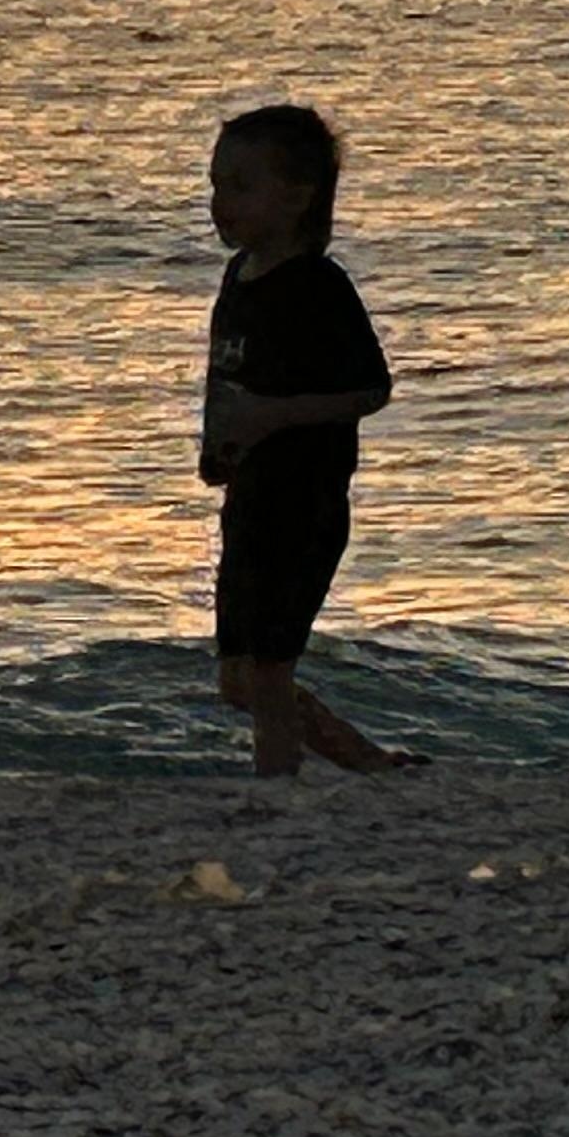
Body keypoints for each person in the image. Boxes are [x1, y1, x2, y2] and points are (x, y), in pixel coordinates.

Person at [199, 104, 410, 777]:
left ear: (296, 198)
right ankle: (369, 764)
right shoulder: (239, 278)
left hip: (304, 501)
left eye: (240, 187)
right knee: (238, 679)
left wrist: (274, 417)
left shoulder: (319, 287)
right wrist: (217, 446)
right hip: (248, 498)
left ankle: (277, 788)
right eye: (215, 185)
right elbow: (226, 373)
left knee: (269, 670)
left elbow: (370, 389)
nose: (220, 203)